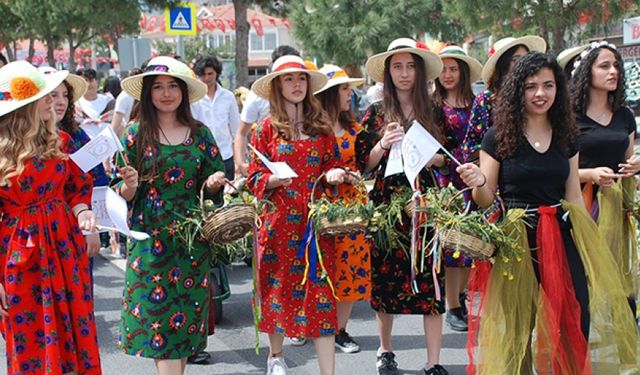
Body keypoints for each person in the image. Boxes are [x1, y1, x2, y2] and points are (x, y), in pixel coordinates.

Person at [457, 51, 638, 374]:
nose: (540, 94)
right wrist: (479, 181)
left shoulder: (567, 136)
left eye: (548, 85)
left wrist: (592, 251)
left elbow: (573, 196)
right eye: (530, 87)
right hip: (517, 237)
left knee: (575, 317)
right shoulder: (497, 137)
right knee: (517, 326)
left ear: (559, 89)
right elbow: (486, 199)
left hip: (562, 232)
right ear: (517, 92)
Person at [114, 56, 226, 375]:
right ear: (148, 93)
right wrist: (129, 185)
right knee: (158, 327)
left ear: (184, 92)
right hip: (150, 243)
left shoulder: (200, 133)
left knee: (184, 327)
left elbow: (214, 180)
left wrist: (214, 182)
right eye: (158, 87)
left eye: (173, 86)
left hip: (192, 243)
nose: (166, 93)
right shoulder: (134, 134)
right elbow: (119, 194)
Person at [247, 55, 354, 375]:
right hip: (278, 225)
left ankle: (328, 370)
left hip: (315, 227)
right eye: (289, 80)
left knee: (321, 296)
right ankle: (276, 356)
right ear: (278, 86)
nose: (296, 85)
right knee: (276, 290)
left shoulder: (321, 129)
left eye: (301, 79)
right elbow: (252, 177)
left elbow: (334, 166)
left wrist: (335, 176)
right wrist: (270, 181)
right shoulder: (264, 128)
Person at [0, 61, 101, 374]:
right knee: (29, 342)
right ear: (23, 105)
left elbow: (76, 188)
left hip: (65, 249)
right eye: (43, 94)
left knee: (75, 335)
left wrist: (84, 214)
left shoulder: (62, 141)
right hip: (19, 254)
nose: (51, 100)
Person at [356, 37, 448, 375]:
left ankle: (433, 360)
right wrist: (382, 143)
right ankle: (385, 349)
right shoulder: (376, 113)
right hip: (387, 205)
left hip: (425, 205)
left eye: (411, 66)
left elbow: (448, 159)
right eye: (398, 66)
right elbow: (363, 164)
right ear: (388, 72)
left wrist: (427, 153)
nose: (405, 73)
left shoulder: (435, 111)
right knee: (385, 281)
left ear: (420, 70)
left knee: (430, 278)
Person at [570, 41, 640, 319]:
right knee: (583, 277)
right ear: (587, 72)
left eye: (616, 67)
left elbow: (628, 160)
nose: (613, 72)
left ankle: (627, 344)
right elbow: (555, 170)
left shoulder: (624, 115)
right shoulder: (569, 118)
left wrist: (636, 166)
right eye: (604, 66)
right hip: (581, 204)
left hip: (615, 206)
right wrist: (590, 174)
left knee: (619, 275)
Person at [315, 64, 370, 354]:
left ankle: (340, 329)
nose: (350, 93)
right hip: (320, 206)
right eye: (345, 89)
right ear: (330, 93)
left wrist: (354, 174)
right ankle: (312, 323)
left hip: (350, 208)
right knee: (318, 267)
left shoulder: (355, 128)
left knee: (349, 267)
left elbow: (365, 166)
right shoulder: (311, 129)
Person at [431, 45, 483, 332]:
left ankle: (461, 297)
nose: (448, 75)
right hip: (448, 183)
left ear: (463, 72)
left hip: (476, 180)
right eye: (443, 70)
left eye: (453, 69)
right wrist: (440, 161)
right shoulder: (434, 107)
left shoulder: (478, 103)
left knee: (472, 245)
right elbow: (429, 149)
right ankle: (452, 305)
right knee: (454, 247)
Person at [43, 66, 110, 287]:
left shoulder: (77, 136)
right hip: (35, 237)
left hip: (75, 230)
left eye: (65, 96)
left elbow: (97, 181)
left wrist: (92, 228)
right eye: (53, 95)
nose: (60, 102)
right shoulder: (16, 141)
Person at [461, 36, 546, 162]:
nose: (523, 65)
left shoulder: (538, 96)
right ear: (504, 64)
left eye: (526, 59)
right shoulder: (487, 99)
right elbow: (470, 147)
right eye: (516, 60)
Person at [234, 45, 300, 177]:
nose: (295, 82)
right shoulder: (258, 98)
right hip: (268, 165)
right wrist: (241, 163)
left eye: (299, 76)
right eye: (287, 77)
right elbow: (241, 133)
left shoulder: (305, 96)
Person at [191, 55, 240, 182]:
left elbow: (237, 130)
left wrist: (239, 159)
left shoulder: (228, 96)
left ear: (217, 73)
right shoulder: (193, 99)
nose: (206, 78)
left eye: (210, 74)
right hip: (202, 156)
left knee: (228, 195)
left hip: (225, 155)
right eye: (202, 75)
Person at [75, 67, 115, 138]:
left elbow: (117, 123)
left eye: (90, 80)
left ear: (97, 82)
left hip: (108, 142)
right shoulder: (76, 105)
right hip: (84, 145)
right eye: (84, 81)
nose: (88, 84)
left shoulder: (109, 102)